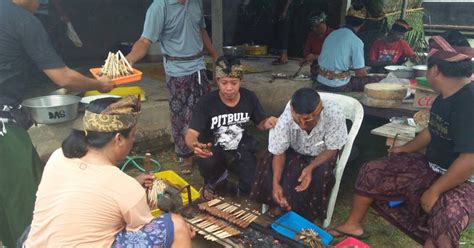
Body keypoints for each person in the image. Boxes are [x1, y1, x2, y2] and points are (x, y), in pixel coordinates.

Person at [330, 31, 474, 248]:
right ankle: (353, 225)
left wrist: (435, 190)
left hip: (464, 179)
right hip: (433, 166)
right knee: (374, 170)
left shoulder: (468, 104)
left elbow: (470, 158)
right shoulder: (447, 94)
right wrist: (404, 149)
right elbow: (432, 130)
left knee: (448, 216)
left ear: (435, 70)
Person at [0, 0, 113, 246]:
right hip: (3, 128)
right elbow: (63, 77)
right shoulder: (22, 20)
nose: (42, 3)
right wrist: (99, 84)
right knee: (27, 207)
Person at [25, 96, 194, 247]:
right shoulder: (123, 186)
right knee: (176, 226)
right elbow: (141, 228)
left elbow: (88, 193)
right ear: (119, 139)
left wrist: (133, 184)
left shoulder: (59, 156)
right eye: (133, 135)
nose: (133, 140)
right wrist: (185, 232)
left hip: (34, 244)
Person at [126, 0, 218, 175]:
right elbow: (145, 40)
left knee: (203, 111)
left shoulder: (196, 3)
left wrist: (214, 53)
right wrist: (128, 60)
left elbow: (201, 29)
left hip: (199, 66)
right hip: (176, 70)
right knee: (180, 116)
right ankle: (185, 156)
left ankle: (204, 149)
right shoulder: (159, 7)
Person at [185, 56, 277, 199]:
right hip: (213, 149)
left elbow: (260, 123)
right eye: (224, 83)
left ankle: (234, 184)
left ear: (241, 80)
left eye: (234, 83)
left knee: (252, 185)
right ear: (218, 81)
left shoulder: (249, 97)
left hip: (240, 147)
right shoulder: (206, 103)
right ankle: (213, 183)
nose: (229, 88)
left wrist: (267, 123)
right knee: (210, 162)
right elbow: (191, 134)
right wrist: (195, 145)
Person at [251, 88, 348, 223]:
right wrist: (275, 184)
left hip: (322, 154)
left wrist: (310, 168)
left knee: (320, 172)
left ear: (319, 111)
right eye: (299, 120)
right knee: (271, 159)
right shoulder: (286, 118)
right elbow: (279, 152)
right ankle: (279, 203)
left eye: (308, 120)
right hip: (295, 149)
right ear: (292, 111)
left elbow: (333, 148)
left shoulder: (334, 113)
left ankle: (303, 213)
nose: (303, 124)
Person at [315, 6, 383, 92]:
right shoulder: (356, 41)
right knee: (376, 80)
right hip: (338, 86)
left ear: (346, 20)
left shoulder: (332, 34)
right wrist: (366, 72)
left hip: (320, 81)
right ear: (363, 24)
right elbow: (360, 74)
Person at [299, 11, 333, 78]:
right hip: (316, 69)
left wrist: (316, 56)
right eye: (312, 27)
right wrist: (306, 60)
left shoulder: (333, 35)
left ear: (324, 23)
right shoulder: (311, 35)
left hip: (332, 70)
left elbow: (336, 56)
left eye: (317, 26)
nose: (314, 29)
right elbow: (307, 52)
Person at [271, 0, 293, 65]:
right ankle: (282, 56)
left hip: (285, 11)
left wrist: (284, 11)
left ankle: (284, 57)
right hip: (279, 10)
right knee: (280, 34)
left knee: (284, 33)